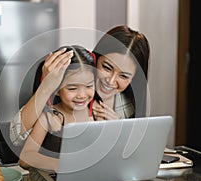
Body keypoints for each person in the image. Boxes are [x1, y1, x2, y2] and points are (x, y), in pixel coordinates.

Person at [10, 25, 150, 146]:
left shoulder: (129, 104)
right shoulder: (69, 90)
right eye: (107, 67)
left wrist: (119, 127)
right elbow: (15, 137)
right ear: (96, 58)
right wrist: (47, 86)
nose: (111, 81)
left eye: (124, 76)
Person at [19, 45, 99, 171]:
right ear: (56, 89)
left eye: (89, 86)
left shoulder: (97, 113)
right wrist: (61, 164)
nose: (82, 95)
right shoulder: (50, 117)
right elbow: (26, 158)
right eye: (72, 88)